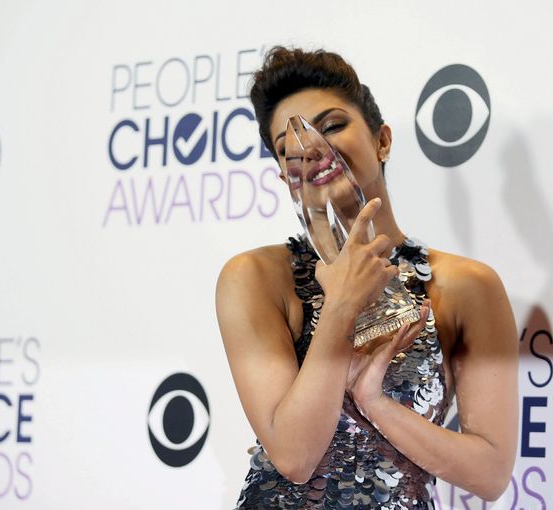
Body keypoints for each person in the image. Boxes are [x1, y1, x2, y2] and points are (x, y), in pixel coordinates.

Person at [216, 46, 518, 509]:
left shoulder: (464, 286)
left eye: (332, 125)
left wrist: (374, 402)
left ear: (382, 140)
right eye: (288, 149)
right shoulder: (256, 278)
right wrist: (340, 304)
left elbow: (491, 473)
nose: (311, 148)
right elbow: (295, 456)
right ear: (283, 176)